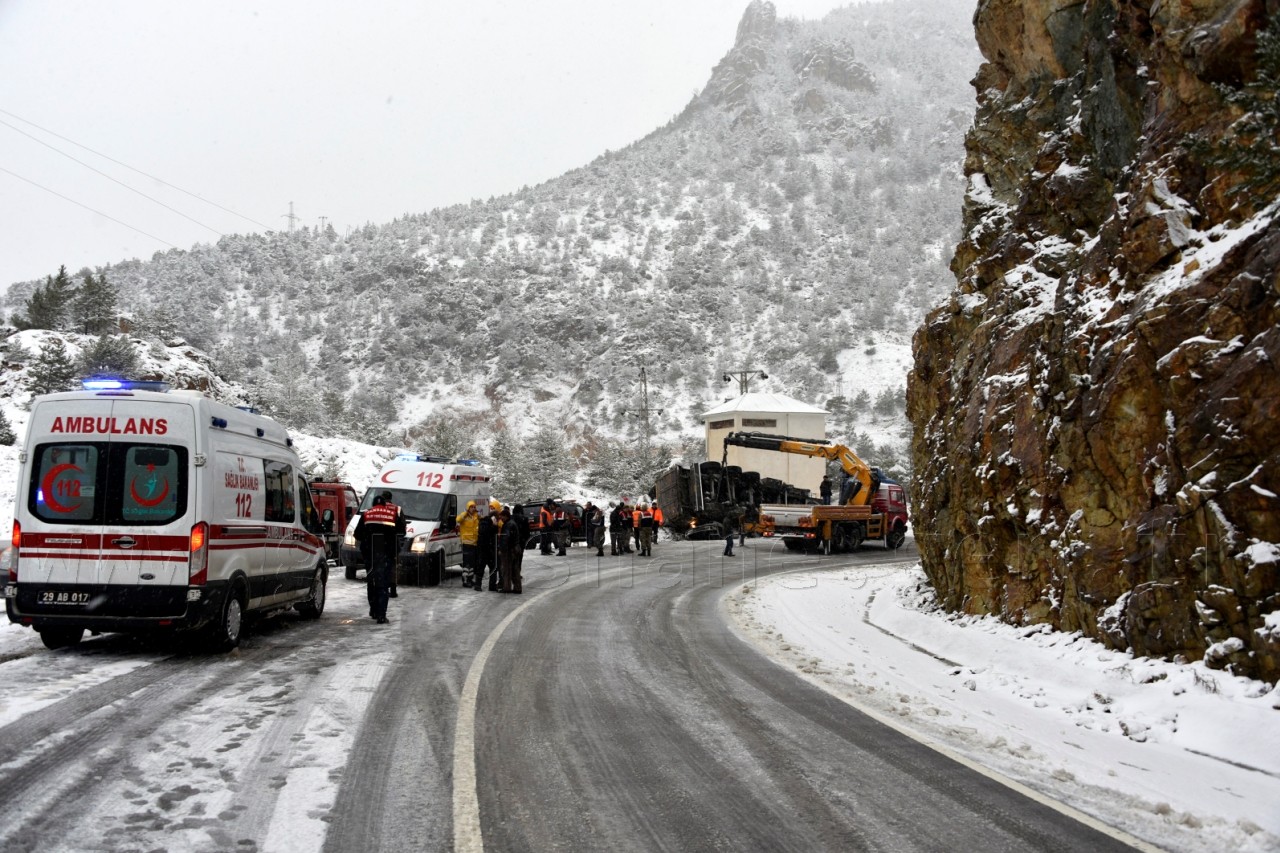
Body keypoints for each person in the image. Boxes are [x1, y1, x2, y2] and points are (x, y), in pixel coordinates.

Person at [354, 491, 405, 623]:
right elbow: (402, 531)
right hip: (386, 553)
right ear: (384, 504)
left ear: (373, 504)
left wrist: (368, 538)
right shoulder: (392, 514)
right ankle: (381, 615)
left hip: (370, 553)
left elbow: (357, 534)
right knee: (383, 583)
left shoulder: (366, 514)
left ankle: (373, 610)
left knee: (372, 581)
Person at [476, 499, 502, 592]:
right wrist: (494, 526)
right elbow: (486, 533)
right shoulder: (486, 522)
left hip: (487, 548)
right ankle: (487, 585)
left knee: (487, 567)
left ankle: (481, 585)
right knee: (489, 567)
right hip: (487, 548)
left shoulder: (484, 521)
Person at [498, 506, 523, 593]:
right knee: (515, 569)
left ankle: (507, 587)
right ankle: (517, 588)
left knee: (507, 570)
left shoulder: (508, 525)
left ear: (506, 516)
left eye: (502, 517)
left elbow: (506, 538)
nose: (501, 519)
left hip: (509, 550)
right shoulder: (512, 523)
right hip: (515, 549)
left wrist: (502, 549)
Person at [457, 500, 481, 587]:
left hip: (474, 543)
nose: (473, 508)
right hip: (466, 543)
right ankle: (465, 580)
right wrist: (465, 513)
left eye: (474, 507)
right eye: (471, 507)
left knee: (472, 564)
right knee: (467, 564)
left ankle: (470, 579)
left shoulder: (476, 516)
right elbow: (458, 519)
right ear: (468, 508)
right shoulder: (464, 516)